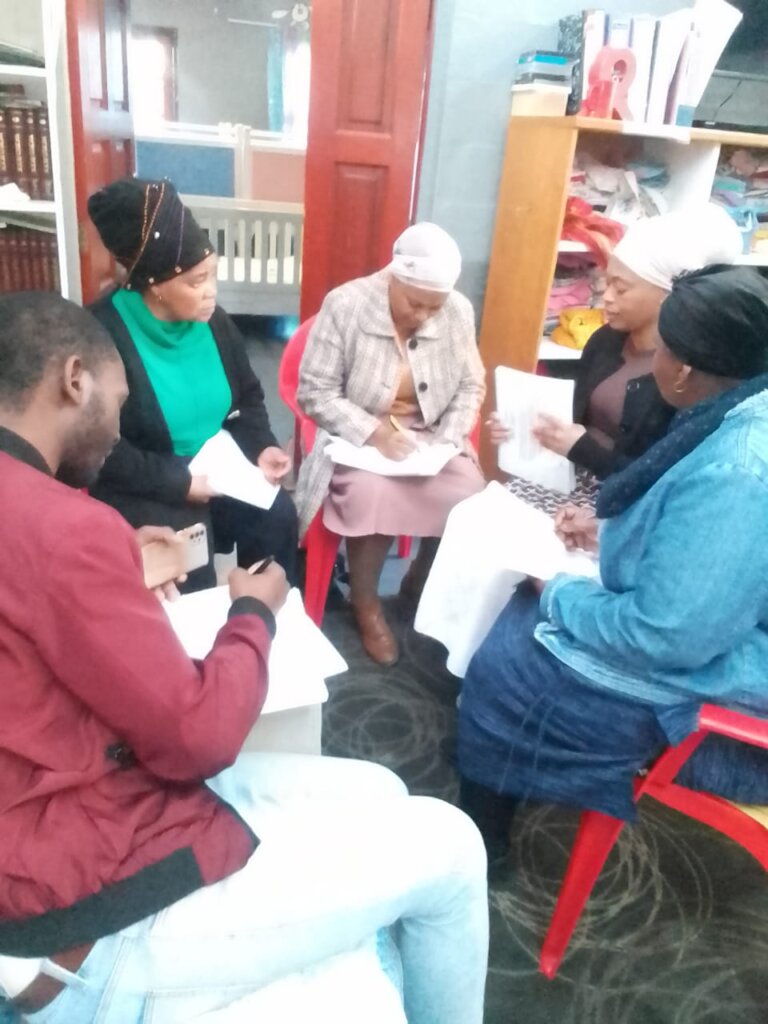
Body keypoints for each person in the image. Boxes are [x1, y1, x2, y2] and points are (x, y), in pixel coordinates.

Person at [0, 293, 489, 1023]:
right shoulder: (64, 525)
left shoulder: (35, 515)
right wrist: (253, 615)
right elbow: (198, 739)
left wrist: (113, 566)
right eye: (120, 402)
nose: (117, 429)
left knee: (381, 788)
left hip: (59, 814)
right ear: (76, 380)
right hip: (79, 906)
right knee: (453, 848)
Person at [458, 266, 768, 864]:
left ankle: (483, 843)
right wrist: (610, 534)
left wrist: (558, 592)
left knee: (510, 664)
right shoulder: (738, 408)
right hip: (720, 629)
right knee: (519, 617)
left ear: (682, 370)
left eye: (662, 350)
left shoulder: (738, 472)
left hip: (729, 681)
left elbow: (666, 635)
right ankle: (497, 777)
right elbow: (709, 549)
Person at [86, 177, 298, 589]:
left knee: (277, 516)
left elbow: (246, 397)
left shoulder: (213, 323)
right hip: (147, 483)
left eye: (212, 275)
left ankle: (263, 611)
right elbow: (101, 448)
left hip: (217, 468)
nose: (211, 293)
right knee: (187, 556)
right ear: (154, 284)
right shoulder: (102, 334)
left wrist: (262, 446)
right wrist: (179, 483)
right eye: (195, 281)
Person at [295, 223, 486, 665]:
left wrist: (448, 438)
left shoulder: (457, 310)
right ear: (392, 278)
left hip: (428, 432)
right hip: (357, 433)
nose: (424, 316)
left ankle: (419, 580)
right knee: (372, 493)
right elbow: (314, 391)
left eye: (434, 307)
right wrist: (375, 434)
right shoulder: (346, 305)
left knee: (469, 495)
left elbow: (470, 384)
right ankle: (366, 605)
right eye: (415, 303)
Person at [488, 204, 742, 514]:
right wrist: (520, 426)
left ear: (667, 295)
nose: (606, 297)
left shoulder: (682, 375)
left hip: (623, 501)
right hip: (569, 474)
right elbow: (573, 418)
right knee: (479, 516)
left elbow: (655, 480)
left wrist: (582, 449)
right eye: (606, 283)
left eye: (620, 289)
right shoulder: (605, 340)